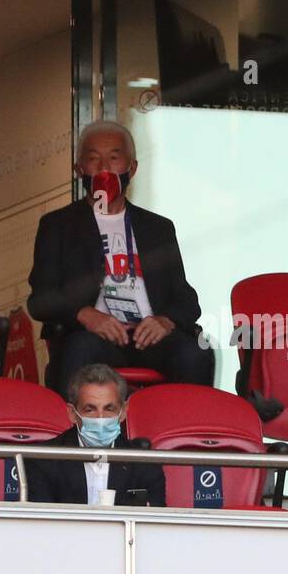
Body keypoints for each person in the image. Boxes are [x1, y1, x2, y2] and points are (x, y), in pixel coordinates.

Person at [27, 119, 214, 396]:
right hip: (94, 337)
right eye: (93, 159)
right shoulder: (58, 225)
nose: (103, 168)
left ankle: (182, 437)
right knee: (80, 349)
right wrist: (85, 314)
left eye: (114, 158)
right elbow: (41, 299)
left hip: (148, 337)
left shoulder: (158, 228)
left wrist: (165, 321)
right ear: (79, 169)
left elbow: (187, 300)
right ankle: (73, 436)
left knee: (195, 353)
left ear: (132, 168)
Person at [23, 363, 166, 507]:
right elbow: (40, 525)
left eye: (109, 409)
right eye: (90, 410)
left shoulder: (145, 463)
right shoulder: (43, 460)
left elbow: (157, 525)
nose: (100, 418)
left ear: (123, 412)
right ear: (72, 413)